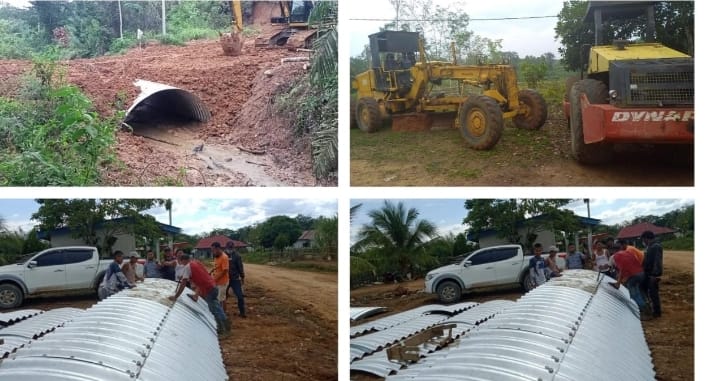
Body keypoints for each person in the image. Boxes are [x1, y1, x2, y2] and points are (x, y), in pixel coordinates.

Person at [168, 254, 231, 337]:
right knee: (217, 307)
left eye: (181, 262)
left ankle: (224, 331)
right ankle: (226, 326)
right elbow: (200, 276)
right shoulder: (196, 262)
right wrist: (195, 294)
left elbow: (183, 284)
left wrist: (175, 296)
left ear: (183, 260)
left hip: (208, 289)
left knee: (214, 309)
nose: (181, 264)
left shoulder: (187, 267)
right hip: (213, 286)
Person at [609, 248, 651, 320]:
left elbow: (622, 269)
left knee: (634, 294)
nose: (616, 268)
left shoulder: (616, 258)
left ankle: (645, 312)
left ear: (613, 261)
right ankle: (647, 306)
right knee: (639, 291)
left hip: (634, 275)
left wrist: (618, 282)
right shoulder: (625, 253)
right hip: (641, 273)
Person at [641, 231, 663, 318]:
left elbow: (657, 261)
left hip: (652, 274)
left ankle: (657, 312)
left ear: (647, 238)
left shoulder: (655, 246)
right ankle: (651, 309)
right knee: (647, 291)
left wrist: (655, 274)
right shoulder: (650, 246)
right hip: (648, 273)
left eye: (643, 239)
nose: (643, 241)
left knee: (654, 293)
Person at [225, 241, 247, 318]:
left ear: (233, 247)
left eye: (231, 247)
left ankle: (242, 312)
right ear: (226, 247)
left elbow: (240, 267)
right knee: (223, 296)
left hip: (235, 279)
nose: (230, 249)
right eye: (229, 247)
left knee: (240, 296)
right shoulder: (223, 255)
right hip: (224, 279)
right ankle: (222, 313)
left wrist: (242, 277)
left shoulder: (237, 256)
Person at [211, 242, 230, 312]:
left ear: (218, 248)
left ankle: (222, 314)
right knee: (221, 298)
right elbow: (216, 267)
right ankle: (222, 312)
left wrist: (215, 278)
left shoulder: (224, 257)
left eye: (213, 250)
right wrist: (211, 271)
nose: (212, 252)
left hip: (222, 282)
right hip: (217, 281)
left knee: (220, 299)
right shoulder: (216, 256)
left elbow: (225, 271)